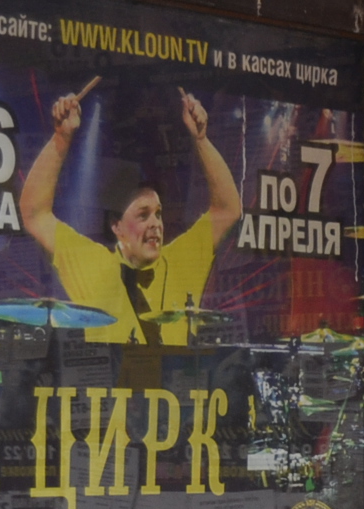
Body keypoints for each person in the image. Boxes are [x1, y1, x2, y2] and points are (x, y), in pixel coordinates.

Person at [17, 87, 242, 345]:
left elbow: (228, 210)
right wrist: (61, 138)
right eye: (143, 215)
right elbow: (34, 214)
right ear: (117, 227)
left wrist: (201, 140)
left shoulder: (182, 260)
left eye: (158, 214)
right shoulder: (94, 264)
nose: (156, 224)